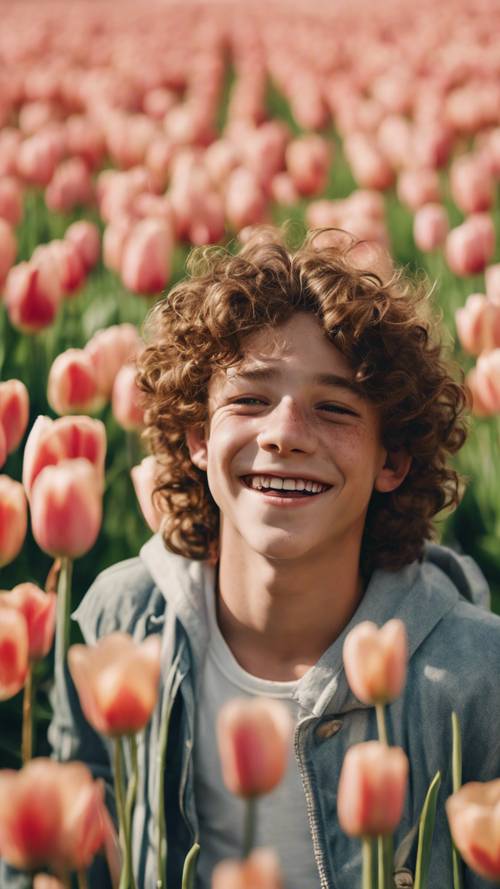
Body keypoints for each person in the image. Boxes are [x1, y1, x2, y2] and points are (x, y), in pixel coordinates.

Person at [4, 228, 500, 889]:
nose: (285, 434)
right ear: (198, 437)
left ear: (393, 460)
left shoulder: (474, 675)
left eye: (333, 407)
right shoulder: (117, 628)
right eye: (249, 398)